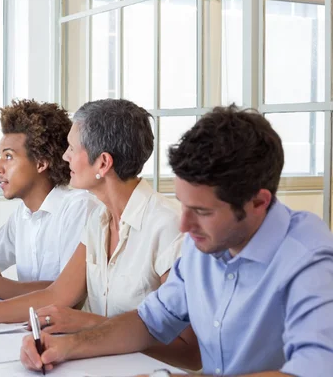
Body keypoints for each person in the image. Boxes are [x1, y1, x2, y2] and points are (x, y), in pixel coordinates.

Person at [20, 105, 333, 377]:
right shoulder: (205, 245)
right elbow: (149, 321)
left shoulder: (309, 259)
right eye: (184, 205)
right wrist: (66, 345)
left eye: (201, 211)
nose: (184, 224)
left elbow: (314, 371)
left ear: (258, 202)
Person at [0, 99, 201, 371]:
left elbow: (190, 353)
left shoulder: (170, 226)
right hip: (102, 365)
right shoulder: (99, 219)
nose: (64, 156)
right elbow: (55, 295)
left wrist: (85, 326)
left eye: (71, 148)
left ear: (102, 163)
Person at [0, 99, 97, 300]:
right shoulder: (23, 215)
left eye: (8, 157)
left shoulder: (78, 208)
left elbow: (67, 292)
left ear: (41, 163)